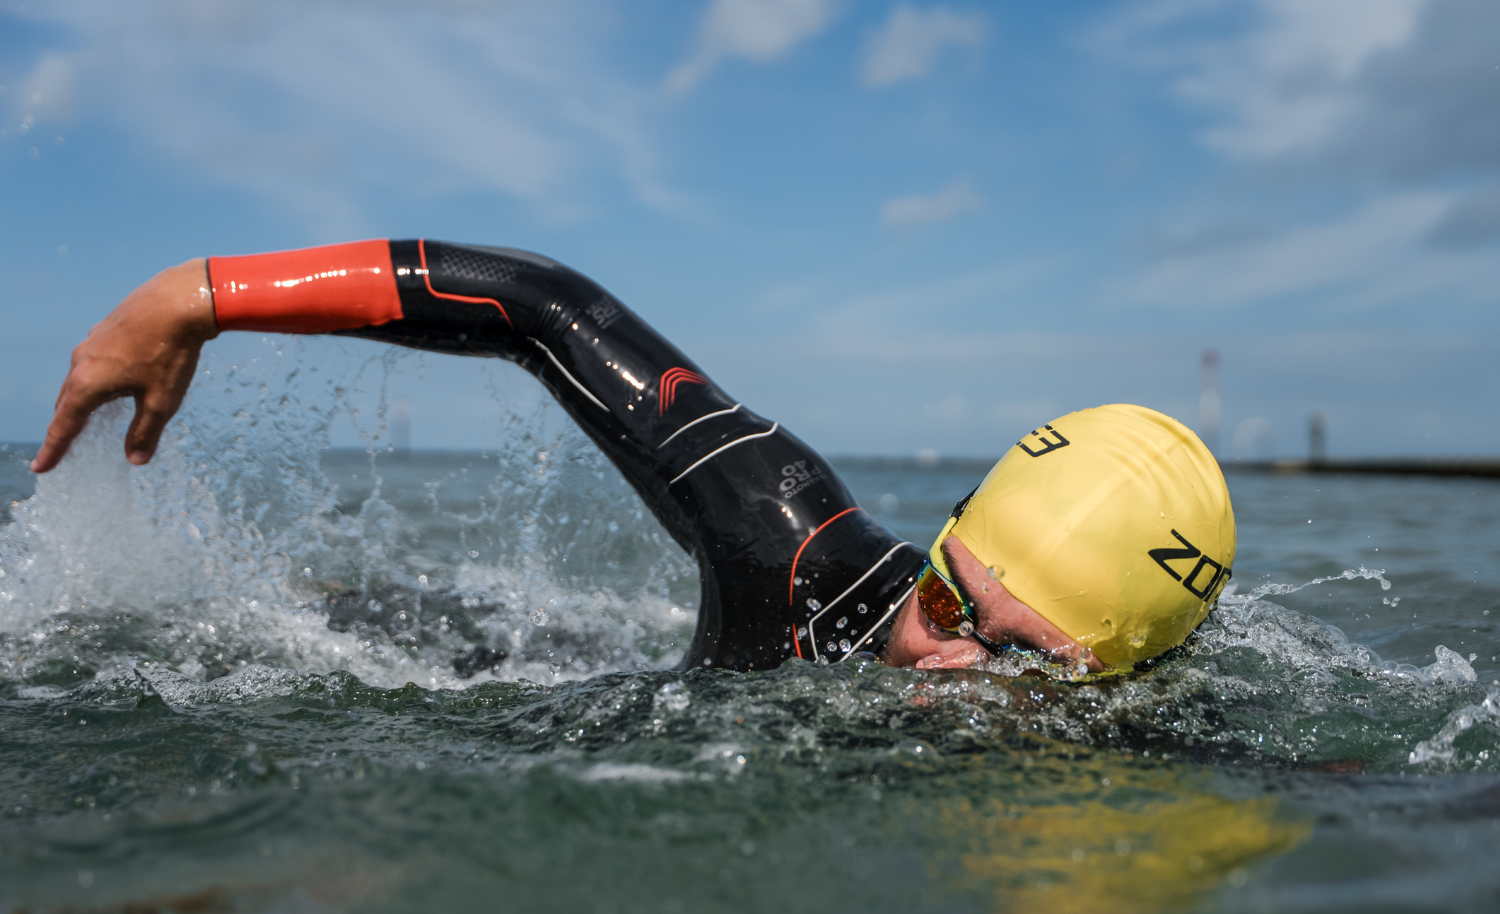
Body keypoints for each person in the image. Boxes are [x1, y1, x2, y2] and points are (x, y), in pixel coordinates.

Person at [32, 240, 1235, 674]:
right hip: (504, 665)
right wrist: (200, 296)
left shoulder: (1138, 728)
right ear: (945, 537)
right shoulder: (788, 534)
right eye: (945, 596)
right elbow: (542, 305)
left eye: (1026, 664)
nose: (948, 661)